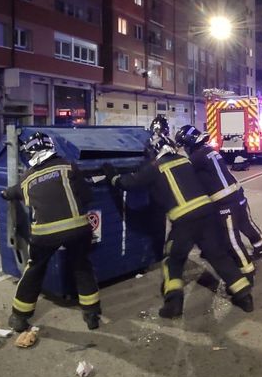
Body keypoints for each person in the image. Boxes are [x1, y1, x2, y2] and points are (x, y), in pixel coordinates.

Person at [101, 119, 253, 319]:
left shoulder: (154, 168)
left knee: (172, 259)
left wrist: (111, 175)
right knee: (218, 256)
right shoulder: (184, 160)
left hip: (185, 221)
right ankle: (244, 296)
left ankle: (173, 303)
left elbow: (128, 183)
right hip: (208, 215)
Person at [0, 132, 101, 333]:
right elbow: (87, 196)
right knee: (82, 266)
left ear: (31, 153)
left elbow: (12, 192)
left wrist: (5, 193)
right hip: (78, 229)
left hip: (45, 235)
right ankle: (91, 315)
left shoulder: (27, 178)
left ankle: (19, 317)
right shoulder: (68, 165)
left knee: (34, 269)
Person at [175, 124, 262, 261]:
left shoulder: (196, 157)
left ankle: (245, 268)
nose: (185, 149)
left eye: (184, 145)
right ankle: (259, 245)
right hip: (237, 194)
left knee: (231, 237)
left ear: (189, 143)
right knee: (245, 223)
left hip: (225, 202)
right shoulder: (208, 150)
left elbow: (181, 171)